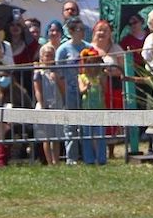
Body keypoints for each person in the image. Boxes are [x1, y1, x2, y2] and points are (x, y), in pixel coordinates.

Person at [55, 17, 91, 163]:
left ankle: (87, 155)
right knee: (71, 125)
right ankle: (72, 158)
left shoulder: (88, 47)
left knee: (86, 124)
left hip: (87, 91)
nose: (82, 32)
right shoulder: (63, 49)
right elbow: (58, 74)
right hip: (70, 91)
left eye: (83, 29)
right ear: (70, 31)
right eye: (79, 29)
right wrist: (63, 92)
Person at [32, 43, 62, 165]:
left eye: (52, 55)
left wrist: (57, 78)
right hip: (44, 106)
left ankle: (57, 160)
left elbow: (62, 89)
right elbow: (37, 90)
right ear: (41, 57)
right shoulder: (38, 73)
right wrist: (42, 104)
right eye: (47, 55)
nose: (49, 58)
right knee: (47, 137)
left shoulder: (57, 71)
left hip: (56, 105)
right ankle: (49, 161)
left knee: (56, 137)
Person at [77, 47, 108, 164]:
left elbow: (105, 90)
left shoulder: (101, 76)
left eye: (94, 62)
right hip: (87, 108)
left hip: (100, 108)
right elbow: (81, 91)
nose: (92, 65)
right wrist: (86, 87)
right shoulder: (82, 77)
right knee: (87, 135)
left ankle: (101, 159)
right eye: (89, 63)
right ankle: (89, 159)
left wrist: (101, 82)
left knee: (100, 135)